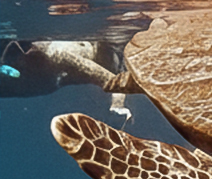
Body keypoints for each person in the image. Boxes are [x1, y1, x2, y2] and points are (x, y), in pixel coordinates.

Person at [1, 39, 132, 121]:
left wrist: (118, 105)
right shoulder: (11, 69)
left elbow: (113, 81)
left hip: (106, 54)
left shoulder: (57, 55)